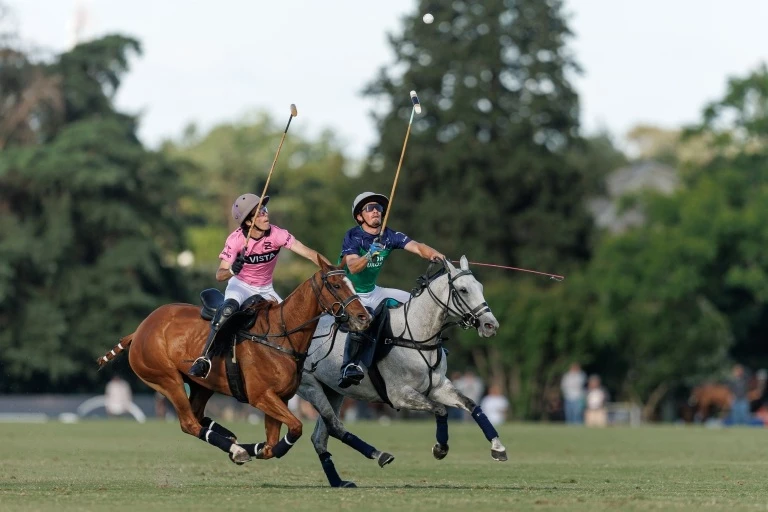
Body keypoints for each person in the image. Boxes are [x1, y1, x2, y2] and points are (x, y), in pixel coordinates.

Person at [189, 193, 331, 378]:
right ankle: (204, 358)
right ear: (248, 222)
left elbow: (310, 253)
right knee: (227, 311)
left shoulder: (277, 234)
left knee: (291, 321)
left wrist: (332, 271)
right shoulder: (236, 240)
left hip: (266, 289)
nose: (266, 215)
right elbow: (219, 274)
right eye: (260, 213)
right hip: (240, 286)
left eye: (265, 210)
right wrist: (233, 269)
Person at [337, 191, 445, 388]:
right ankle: (349, 365)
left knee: (416, 301)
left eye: (378, 208)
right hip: (350, 293)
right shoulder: (352, 236)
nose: (376, 212)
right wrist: (370, 254)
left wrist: (437, 256)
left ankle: (433, 348)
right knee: (364, 318)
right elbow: (352, 267)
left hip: (373, 290)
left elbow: (418, 247)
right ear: (360, 216)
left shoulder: (389, 235)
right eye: (370, 208)